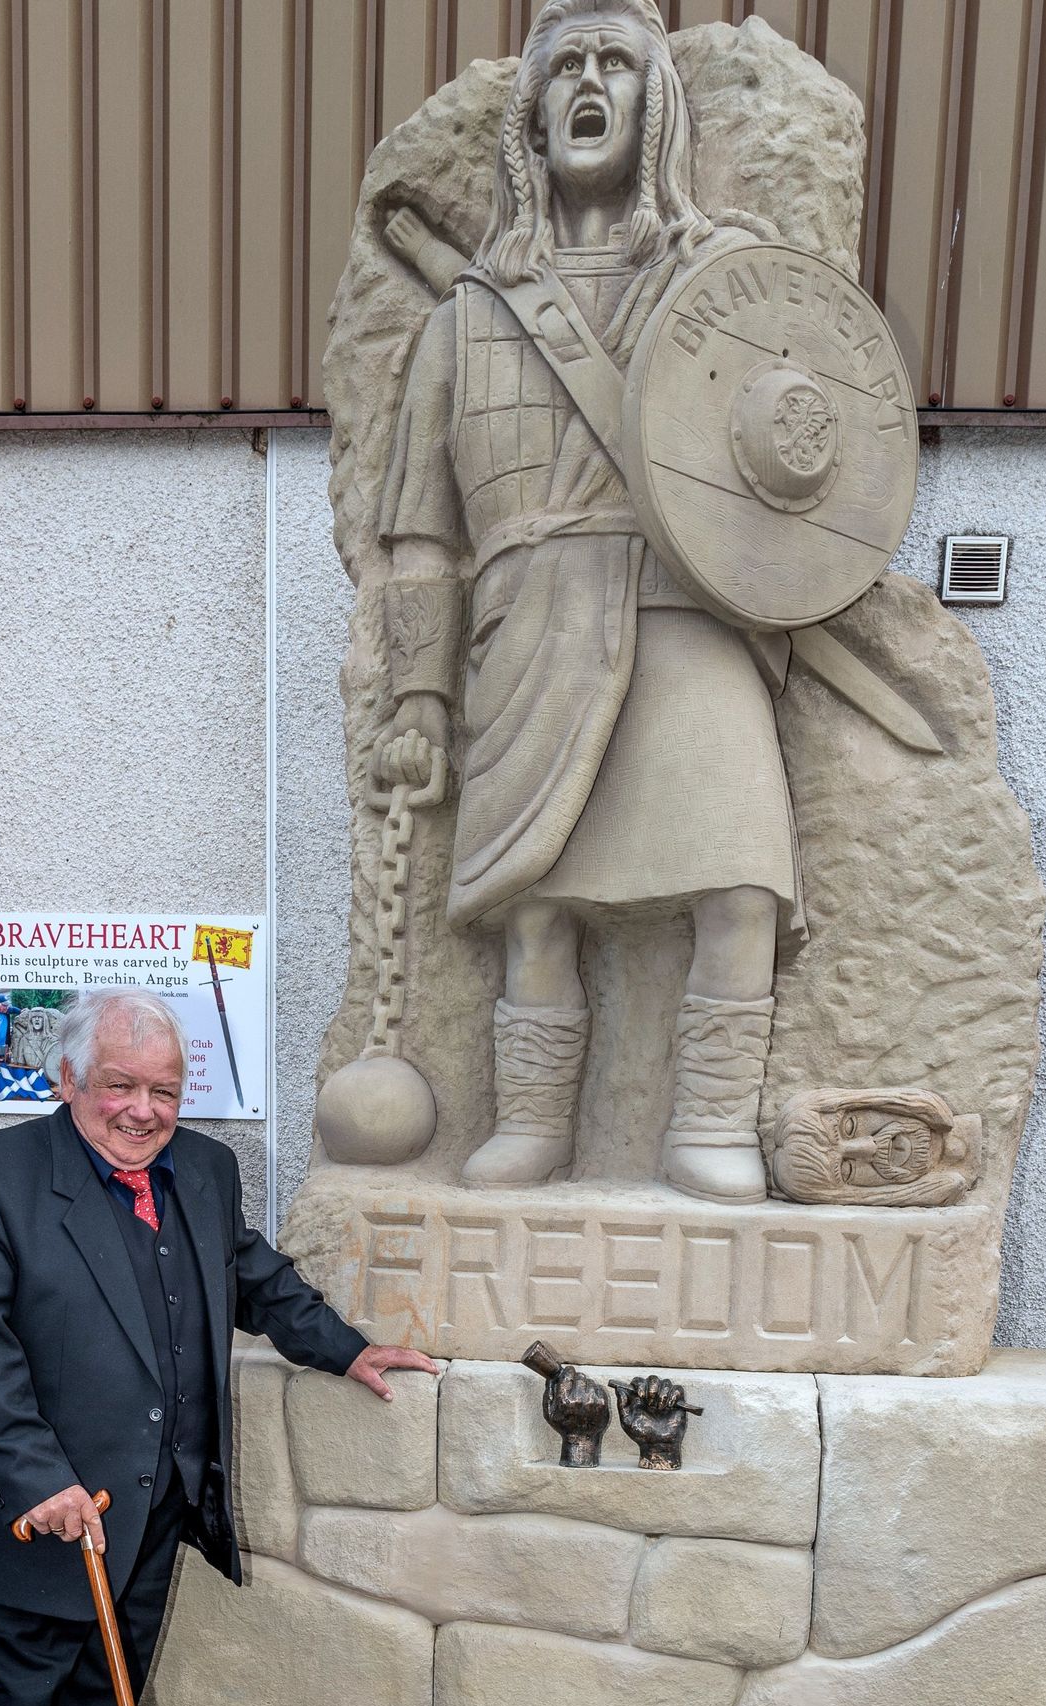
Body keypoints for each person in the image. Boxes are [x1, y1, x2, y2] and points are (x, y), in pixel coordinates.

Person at [0, 987, 436, 1706]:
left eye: (164, 1089)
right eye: (121, 1084)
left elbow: (255, 1279)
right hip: (39, 1520)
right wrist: (40, 1478)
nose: (144, 1109)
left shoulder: (201, 1171)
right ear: (68, 1079)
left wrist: (344, 1349)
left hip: (152, 1511)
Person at [376, 0, 803, 1204]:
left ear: (654, 103)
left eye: (617, 64)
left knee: (738, 877)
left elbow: (801, 463)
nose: (591, 84)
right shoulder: (470, 314)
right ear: (531, 114)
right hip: (533, 611)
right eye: (568, 64)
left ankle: (710, 1121)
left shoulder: (722, 279)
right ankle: (533, 1124)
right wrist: (415, 693)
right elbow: (419, 531)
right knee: (536, 902)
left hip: (684, 605)